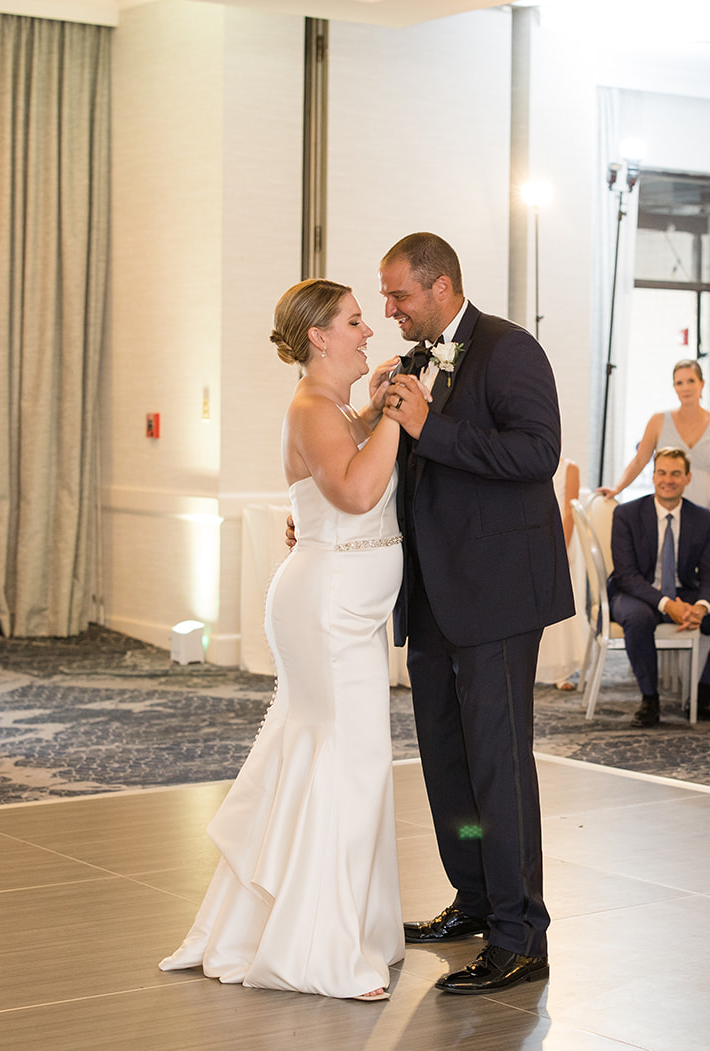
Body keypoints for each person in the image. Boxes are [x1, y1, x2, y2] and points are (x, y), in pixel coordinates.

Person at [161, 280, 403, 1002]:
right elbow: (357, 492)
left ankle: (311, 924)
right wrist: (392, 414)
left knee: (329, 759)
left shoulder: (330, 408)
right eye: (355, 322)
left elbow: (344, 447)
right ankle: (323, 951)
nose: (368, 332)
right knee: (347, 765)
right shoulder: (310, 407)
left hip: (341, 607)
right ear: (320, 338)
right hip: (330, 614)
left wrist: (370, 409)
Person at [377, 233, 572, 994]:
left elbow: (536, 453)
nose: (389, 308)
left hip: (495, 594)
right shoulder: (415, 362)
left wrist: (433, 426)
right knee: (447, 762)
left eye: (399, 295)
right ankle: (476, 897)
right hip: (430, 590)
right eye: (385, 298)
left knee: (498, 765)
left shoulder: (509, 349)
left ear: (443, 286)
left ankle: (522, 934)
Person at [607, 448, 710, 727]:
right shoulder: (627, 514)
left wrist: (701, 607)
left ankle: (702, 698)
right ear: (653, 477)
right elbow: (626, 575)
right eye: (661, 472)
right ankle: (650, 701)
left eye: (675, 473)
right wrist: (667, 604)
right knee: (638, 619)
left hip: (685, 595)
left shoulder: (702, 518)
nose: (668, 479)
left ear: (687, 478)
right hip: (636, 594)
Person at [597, 359, 710, 516]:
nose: (685, 388)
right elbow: (640, 460)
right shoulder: (658, 420)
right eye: (679, 383)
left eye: (691, 381)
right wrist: (617, 488)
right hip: (669, 507)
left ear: (702, 383)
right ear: (674, 387)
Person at [536, 457, 588, 688]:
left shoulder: (570, 467)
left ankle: (558, 670)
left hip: (558, 540)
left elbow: (570, 509)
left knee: (555, 603)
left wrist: (560, 546)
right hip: (532, 538)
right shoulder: (526, 461)